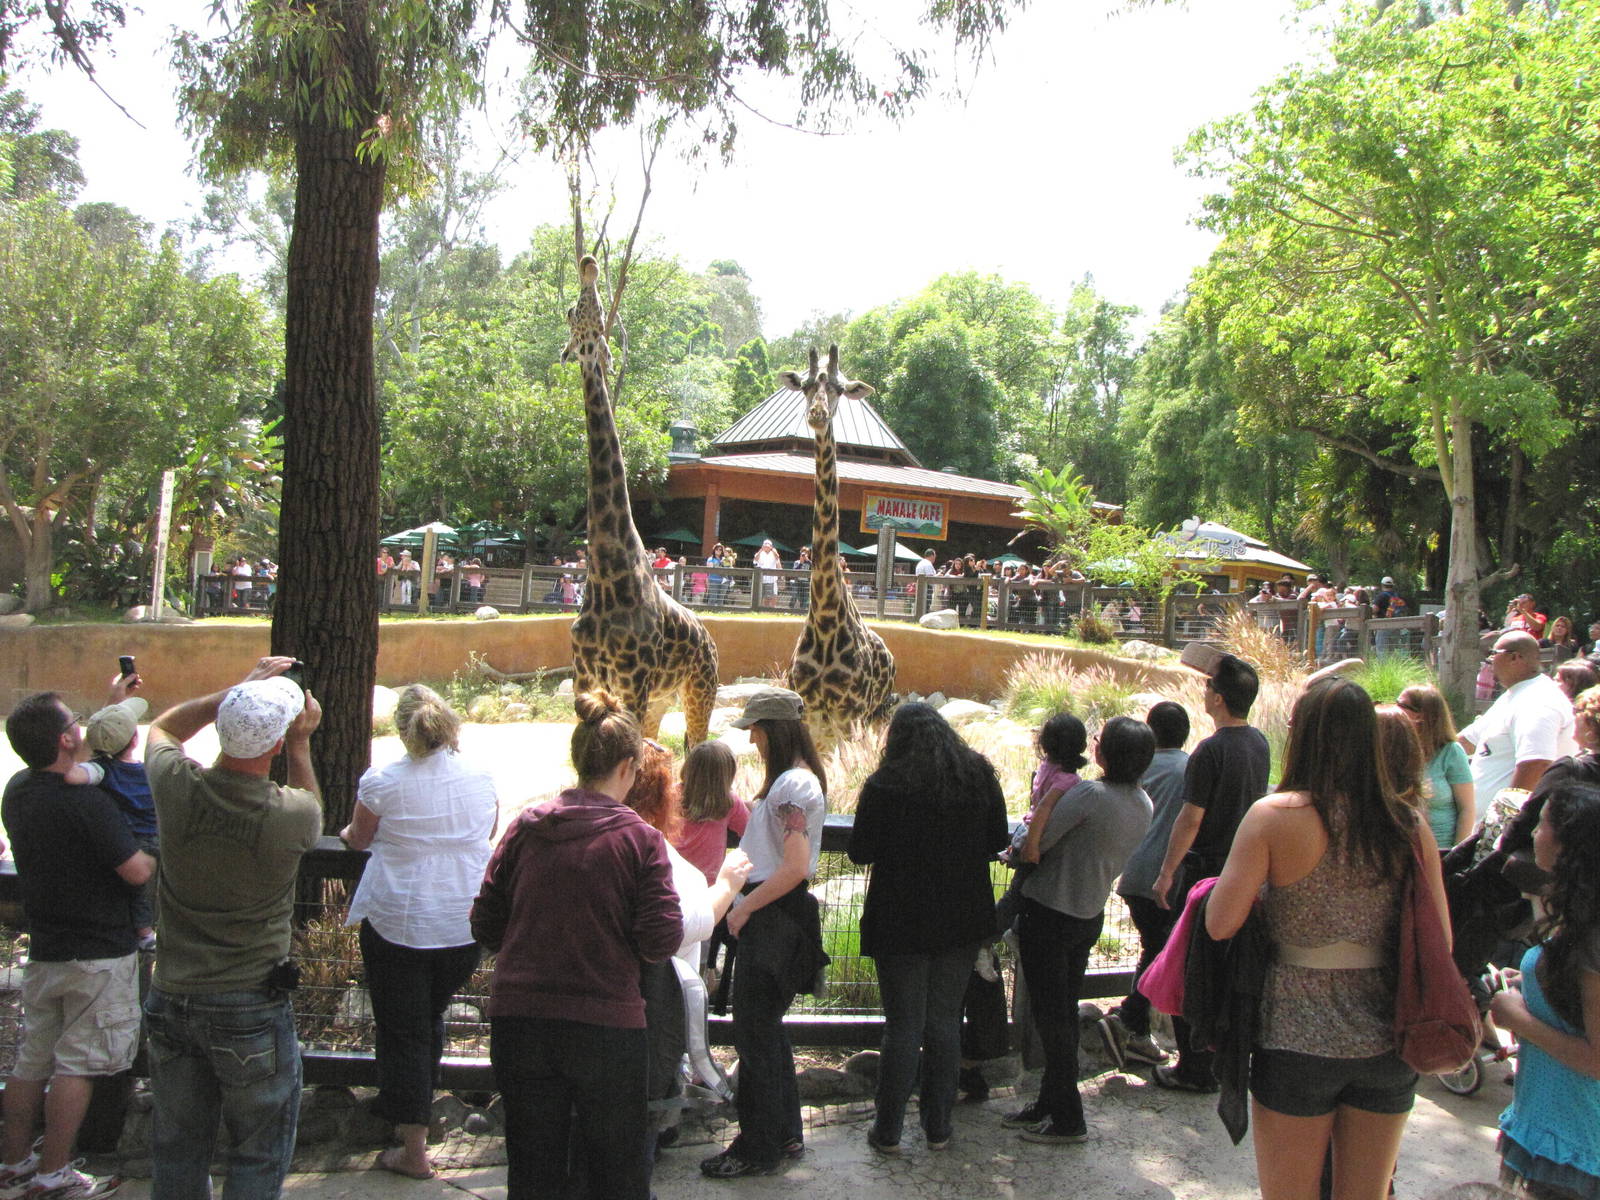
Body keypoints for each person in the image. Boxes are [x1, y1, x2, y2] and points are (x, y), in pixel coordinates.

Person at [1205, 678, 1448, 1200]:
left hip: (1293, 1035)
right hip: (1387, 1037)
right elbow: (1440, 940)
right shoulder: (1408, 823)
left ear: (1304, 737)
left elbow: (1219, 923)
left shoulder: (1274, 817)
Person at [471, 691, 682, 1200]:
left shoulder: (526, 827)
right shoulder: (641, 841)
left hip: (521, 1021)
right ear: (629, 767)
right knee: (618, 1171)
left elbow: (485, 922)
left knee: (532, 1166)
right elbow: (662, 938)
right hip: (606, 1027)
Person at [141, 658, 323, 1199]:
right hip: (250, 1003)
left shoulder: (176, 785)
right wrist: (301, 744)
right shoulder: (291, 815)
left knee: (175, 1146)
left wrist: (237, 693)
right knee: (258, 1151)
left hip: (172, 993)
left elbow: (163, 728)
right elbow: (312, 802)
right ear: (275, 744)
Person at [339, 685, 498, 1180]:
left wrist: (350, 835)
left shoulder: (383, 781)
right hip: (462, 922)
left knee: (404, 1030)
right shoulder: (481, 778)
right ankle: (416, 1121)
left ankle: (412, 1146)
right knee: (426, 1020)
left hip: (400, 922)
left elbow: (358, 837)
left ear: (403, 730)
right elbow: (487, 833)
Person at [0, 694, 156, 1200]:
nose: (82, 727)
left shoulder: (18, 790)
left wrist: (118, 704)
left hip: (45, 946)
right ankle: (54, 1172)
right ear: (66, 738)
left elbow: (85, 765)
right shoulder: (87, 803)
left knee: (31, 1063)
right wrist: (156, 853)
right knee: (78, 1066)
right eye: (75, 722)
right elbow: (135, 871)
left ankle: (15, 1162)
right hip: (98, 953)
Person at [847, 703, 1009, 1154]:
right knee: (943, 1024)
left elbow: (860, 851)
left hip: (899, 921)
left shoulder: (884, 784)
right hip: (961, 921)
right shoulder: (978, 776)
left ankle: (888, 1130)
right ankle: (939, 1127)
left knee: (902, 1027)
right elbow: (998, 841)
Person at [1003, 717, 1155, 1144]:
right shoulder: (1144, 802)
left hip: (1050, 912)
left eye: (1100, 741)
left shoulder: (1090, 794)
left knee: (1052, 1019)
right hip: (1088, 914)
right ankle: (1050, 1102)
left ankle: (1069, 1118)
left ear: (1107, 753)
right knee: (1062, 1010)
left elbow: (1036, 844)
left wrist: (1041, 810)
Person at [700, 688, 829, 1179]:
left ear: (773, 730)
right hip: (775, 914)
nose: (752, 739)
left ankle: (757, 1148)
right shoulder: (796, 783)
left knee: (753, 1035)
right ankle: (784, 1133)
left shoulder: (793, 787)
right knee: (766, 1034)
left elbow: (794, 867)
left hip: (771, 916)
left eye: (756, 730)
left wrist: (742, 908)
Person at [622, 741, 753, 1155]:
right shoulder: (727, 806)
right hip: (700, 902)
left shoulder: (676, 801)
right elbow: (750, 830)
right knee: (678, 998)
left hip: (675, 910)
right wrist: (730, 885)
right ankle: (665, 1118)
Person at [1151, 653, 1271, 1092]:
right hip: (1242, 873)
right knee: (1226, 970)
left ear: (1218, 699)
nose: (1203, 692)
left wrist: (1166, 871)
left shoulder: (1210, 750)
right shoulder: (1259, 742)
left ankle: (1194, 1066)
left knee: (1190, 966)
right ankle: (1219, 1060)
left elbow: (1190, 819)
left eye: (1207, 687)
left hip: (1203, 873)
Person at [1490, 781, 1600, 1200]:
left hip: (1578, 1144)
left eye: (1542, 824)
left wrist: (1519, 1019)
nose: (1534, 833)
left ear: (1570, 844)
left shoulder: (1592, 936)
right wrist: (1534, 987)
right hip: (1560, 1128)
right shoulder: (1581, 921)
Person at [1101, 700, 1193, 1072]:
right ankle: (1130, 1021)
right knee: (1160, 950)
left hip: (1132, 869)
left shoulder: (1140, 764)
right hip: (1161, 875)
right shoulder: (1189, 769)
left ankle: (1134, 1027)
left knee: (1152, 947)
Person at [69, 672, 160, 950]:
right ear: (134, 740)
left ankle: (144, 933)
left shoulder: (99, 770)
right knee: (143, 890)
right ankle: (146, 934)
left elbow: (72, 776)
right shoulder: (150, 769)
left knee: (135, 891)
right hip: (154, 839)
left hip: (125, 842)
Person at [1459, 632, 1577, 818]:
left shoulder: (1538, 700)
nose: (1490, 660)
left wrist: (1506, 825)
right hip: (1483, 831)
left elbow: (1536, 764)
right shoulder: (1514, 695)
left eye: (1493, 653)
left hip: (1504, 836)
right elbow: (1465, 742)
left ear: (1514, 657)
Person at [1397, 684, 1476, 848]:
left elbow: (1467, 809)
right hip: (1401, 848)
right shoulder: (1393, 748)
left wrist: (1456, 855)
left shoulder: (1451, 752)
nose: (1394, 709)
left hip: (1442, 849)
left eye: (1401, 705)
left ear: (1422, 716)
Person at [672, 739, 751, 886]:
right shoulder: (729, 802)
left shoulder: (670, 794)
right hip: (708, 885)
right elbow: (750, 832)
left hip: (671, 880)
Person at [753, 539, 782, 607]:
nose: (766, 547)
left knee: (771, 595)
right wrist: (760, 550)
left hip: (772, 579)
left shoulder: (774, 553)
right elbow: (755, 560)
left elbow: (777, 558)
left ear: (771, 546)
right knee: (760, 595)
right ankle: (761, 609)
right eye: (765, 545)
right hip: (761, 579)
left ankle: (771, 610)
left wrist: (774, 550)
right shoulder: (760, 553)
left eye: (768, 546)